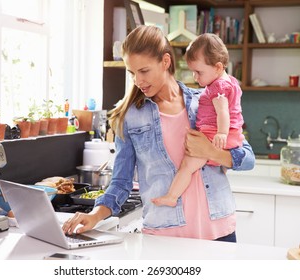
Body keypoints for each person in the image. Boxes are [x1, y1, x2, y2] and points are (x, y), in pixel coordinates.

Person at [62, 26, 254, 242]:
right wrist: (95, 215)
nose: (137, 80)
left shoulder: (206, 101)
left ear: (165, 61)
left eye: (144, 71)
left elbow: (248, 159)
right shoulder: (129, 117)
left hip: (219, 231)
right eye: (132, 73)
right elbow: (121, 182)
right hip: (165, 236)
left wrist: (211, 152)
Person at [152, 33, 244, 207]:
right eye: (193, 72)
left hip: (213, 136)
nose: (195, 77)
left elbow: (223, 112)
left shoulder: (217, 88)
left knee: (187, 165)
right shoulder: (231, 82)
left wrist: (221, 133)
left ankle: (172, 196)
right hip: (231, 136)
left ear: (218, 67)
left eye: (198, 72)